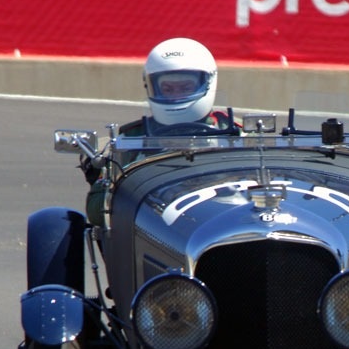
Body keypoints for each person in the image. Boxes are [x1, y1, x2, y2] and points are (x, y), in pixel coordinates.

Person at [83, 38, 235, 225]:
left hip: (221, 220)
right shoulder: (131, 138)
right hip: (157, 223)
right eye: (168, 89)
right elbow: (98, 210)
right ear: (152, 87)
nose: (177, 95)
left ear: (208, 83)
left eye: (186, 88)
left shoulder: (237, 132)